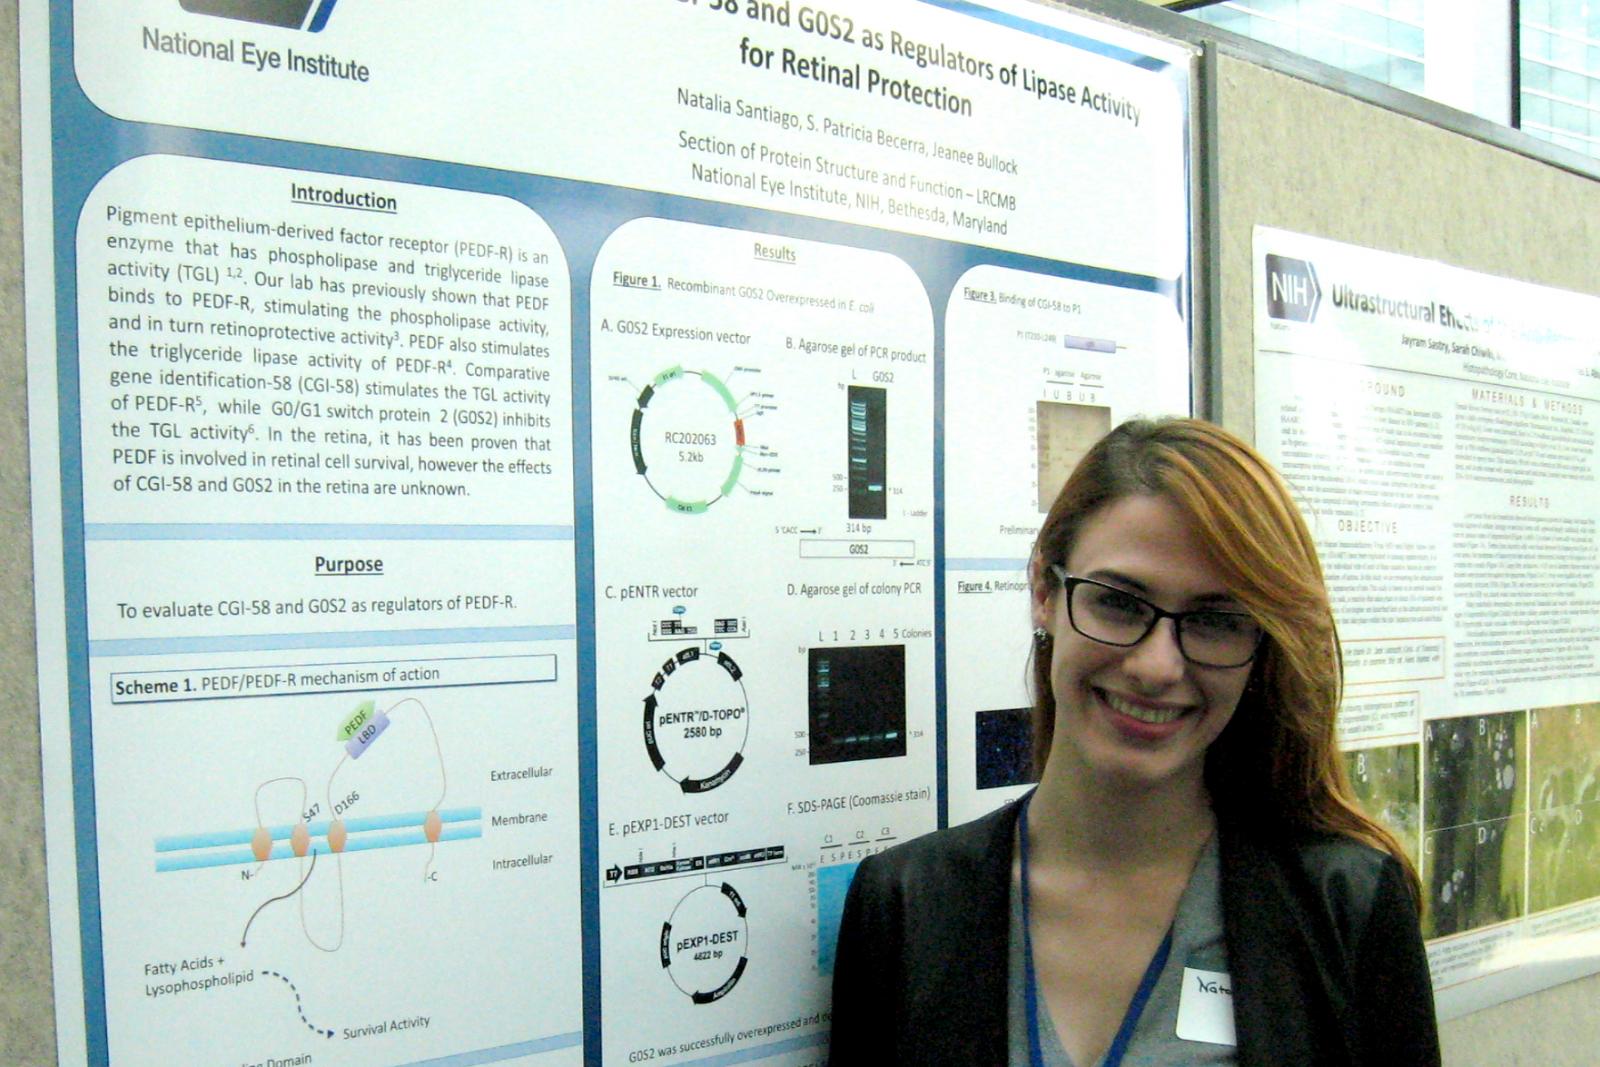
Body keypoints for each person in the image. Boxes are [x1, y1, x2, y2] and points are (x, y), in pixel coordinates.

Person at [828, 417, 1439, 1066]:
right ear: (1044, 591)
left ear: (1261, 646)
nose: (1157, 666)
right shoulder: (906, 903)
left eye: (1215, 620)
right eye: (1119, 602)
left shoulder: (1346, 906)